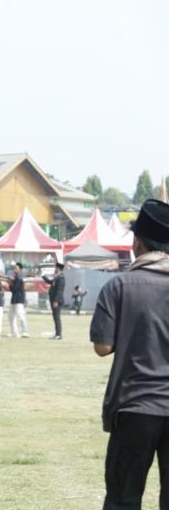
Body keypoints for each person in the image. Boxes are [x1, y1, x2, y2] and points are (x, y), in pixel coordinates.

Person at [90, 199, 169, 508]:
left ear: (137, 242)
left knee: (124, 498)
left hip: (135, 405)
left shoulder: (119, 286)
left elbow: (103, 347)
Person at [44, 263, 66, 340]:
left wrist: (56, 300)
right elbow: (50, 281)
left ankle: (59, 334)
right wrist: (43, 276)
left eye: (55, 268)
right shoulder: (57, 277)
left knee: (57, 317)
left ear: (58, 268)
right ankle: (57, 333)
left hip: (57, 300)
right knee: (55, 317)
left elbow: (59, 290)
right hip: (53, 299)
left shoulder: (61, 278)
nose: (54, 269)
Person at [8, 263, 29, 338]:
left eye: (16, 268)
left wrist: (10, 282)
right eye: (14, 268)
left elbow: (14, 289)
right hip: (14, 299)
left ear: (20, 269)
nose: (14, 269)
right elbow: (12, 289)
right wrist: (10, 281)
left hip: (19, 300)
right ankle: (15, 333)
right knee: (11, 316)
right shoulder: (16, 277)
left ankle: (25, 331)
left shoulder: (19, 278)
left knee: (21, 316)